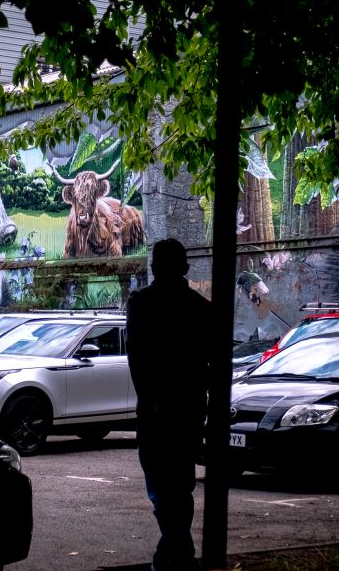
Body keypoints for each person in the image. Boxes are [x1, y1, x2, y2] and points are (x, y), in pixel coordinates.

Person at [126, 238, 214, 571]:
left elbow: (138, 357)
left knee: (161, 484)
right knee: (180, 483)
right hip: (189, 409)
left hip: (156, 412)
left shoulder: (141, 303)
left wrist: (151, 400)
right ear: (185, 268)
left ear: (153, 267)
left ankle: (176, 549)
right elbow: (211, 363)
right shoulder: (200, 307)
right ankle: (177, 548)